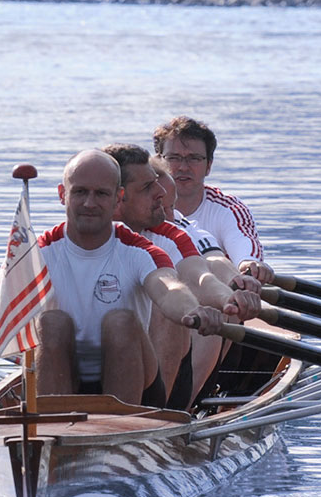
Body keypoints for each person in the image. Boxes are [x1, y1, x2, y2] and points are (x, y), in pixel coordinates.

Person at [0, 150, 227, 406]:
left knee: (120, 321)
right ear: (63, 195)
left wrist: (193, 311)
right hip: (63, 374)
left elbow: (168, 288)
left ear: (117, 199)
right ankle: (53, 434)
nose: (89, 203)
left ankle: (119, 430)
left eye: (101, 194)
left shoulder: (139, 251)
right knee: (52, 323)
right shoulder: (38, 251)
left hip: (136, 383)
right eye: (80, 192)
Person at [101, 143, 260, 406]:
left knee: (174, 311)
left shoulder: (171, 237)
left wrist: (228, 298)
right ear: (118, 198)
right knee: (54, 323)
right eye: (148, 188)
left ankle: (167, 418)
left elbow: (202, 276)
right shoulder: (62, 241)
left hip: (156, 377)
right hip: (98, 359)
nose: (161, 195)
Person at [153, 116, 275, 284]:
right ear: (159, 162)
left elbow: (242, 246)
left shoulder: (229, 209)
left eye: (194, 158)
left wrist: (248, 263)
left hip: (217, 297)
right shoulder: (139, 207)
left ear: (209, 165)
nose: (183, 167)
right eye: (174, 158)